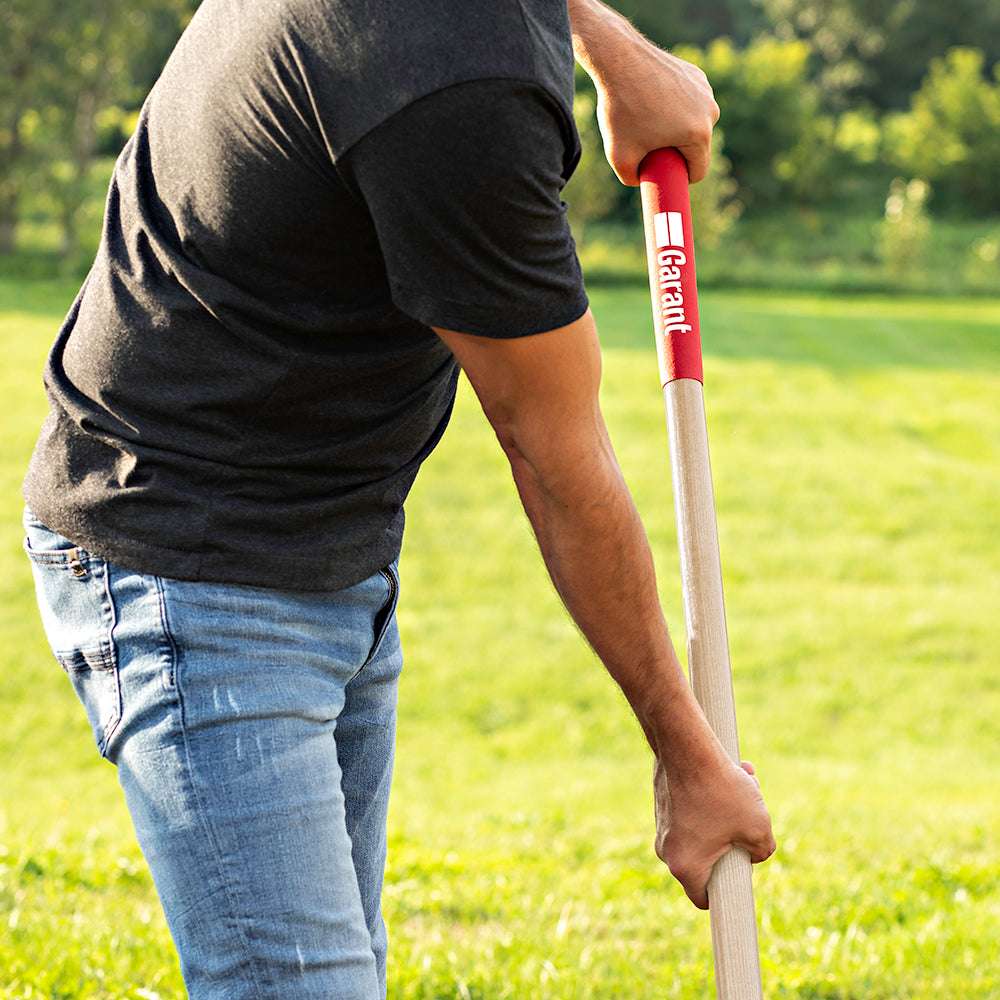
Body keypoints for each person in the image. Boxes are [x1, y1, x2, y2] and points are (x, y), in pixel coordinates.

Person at [21, 0, 776, 995]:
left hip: (327, 535)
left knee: (338, 972)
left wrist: (610, 48)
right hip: (191, 554)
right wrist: (689, 757)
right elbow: (552, 450)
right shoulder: (455, 84)